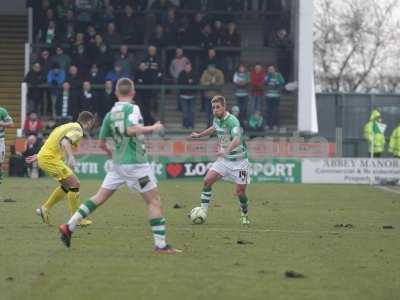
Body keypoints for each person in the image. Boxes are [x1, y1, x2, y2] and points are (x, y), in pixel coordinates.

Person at [58, 78, 181, 254]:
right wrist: (152, 127)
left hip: (118, 164)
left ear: (116, 93)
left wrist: (112, 155)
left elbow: (101, 143)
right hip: (136, 165)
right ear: (133, 92)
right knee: (154, 201)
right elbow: (131, 129)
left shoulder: (109, 115)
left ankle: (69, 227)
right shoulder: (133, 108)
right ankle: (161, 246)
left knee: (99, 197)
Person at [25, 111, 95, 225]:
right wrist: (71, 157)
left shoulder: (67, 126)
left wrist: (39, 155)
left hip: (47, 157)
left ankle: (45, 209)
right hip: (51, 159)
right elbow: (64, 142)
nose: (92, 125)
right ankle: (76, 219)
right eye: (92, 123)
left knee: (67, 186)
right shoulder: (78, 130)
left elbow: (53, 139)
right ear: (88, 121)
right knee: (75, 184)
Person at [190, 95, 250, 225]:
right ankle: (203, 211)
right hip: (224, 160)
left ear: (224, 107)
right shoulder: (217, 119)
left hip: (240, 162)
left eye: (218, 107)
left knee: (240, 192)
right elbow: (214, 128)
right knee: (207, 181)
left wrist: (225, 151)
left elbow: (237, 139)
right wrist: (200, 135)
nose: (215, 110)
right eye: (213, 108)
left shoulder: (233, 121)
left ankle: (244, 212)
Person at [264, 65, 285, 130]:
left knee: (275, 111)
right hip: (268, 96)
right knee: (268, 111)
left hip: (276, 96)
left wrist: (277, 84)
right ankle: (268, 124)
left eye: (272, 69)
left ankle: (275, 124)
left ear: (274, 69)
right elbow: (264, 83)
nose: (271, 70)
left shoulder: (278, 75)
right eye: (269, 69)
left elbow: (282, 82)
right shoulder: (267, 76)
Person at [0, 107, 13, 182]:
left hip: (0, 139)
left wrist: (1, 123)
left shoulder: (2, 111)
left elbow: (11, 123)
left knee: (0, 161)